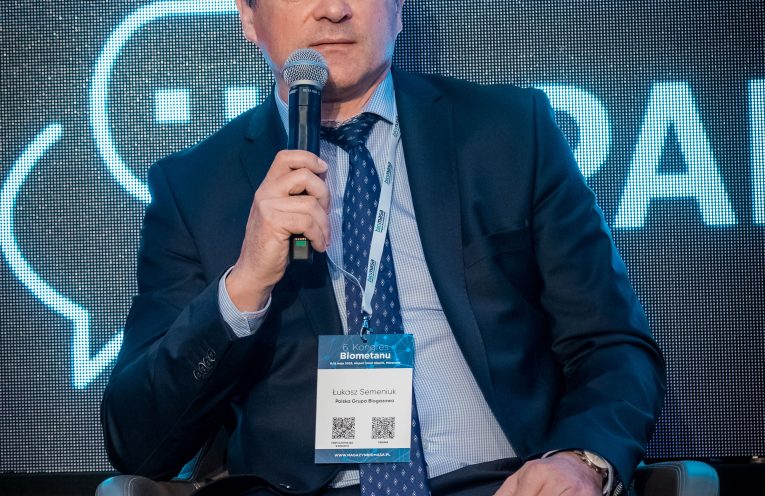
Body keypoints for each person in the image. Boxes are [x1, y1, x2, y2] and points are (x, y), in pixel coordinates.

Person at [101, 0, 666, 495]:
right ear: (249, 17)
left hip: (497, 482)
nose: (333, 10)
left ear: (398, 9)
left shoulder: (510, 132)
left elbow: (612, 345)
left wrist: (580, 459)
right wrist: (244, 285)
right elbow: (140, 445)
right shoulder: (194, 188)